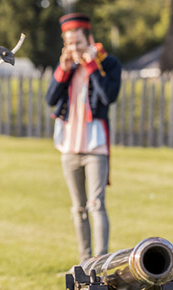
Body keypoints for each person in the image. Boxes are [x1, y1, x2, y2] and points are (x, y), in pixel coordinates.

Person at [44, 13, 121, 263]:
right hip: (69, 146)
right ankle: (85, 261)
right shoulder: (67, 68)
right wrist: (64, 70)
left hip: (95, 146)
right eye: (69, 43)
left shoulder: (108, 64)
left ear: (89, 40)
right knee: (78, 208)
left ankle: (102, 260)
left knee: (96, 204)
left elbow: (108, 96)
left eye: (78, 42)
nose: (74, 48)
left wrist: (91, 66)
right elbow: (50, 99)